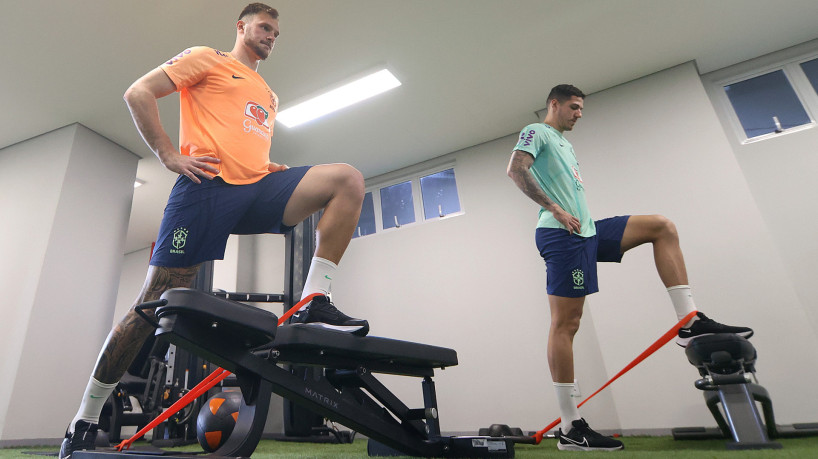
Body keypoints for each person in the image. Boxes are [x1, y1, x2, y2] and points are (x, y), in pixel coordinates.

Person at [60, 4, 369, 457]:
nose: (271, 37)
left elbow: (245, 142)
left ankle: (311, 300)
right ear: (241, 27)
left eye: (277, 33)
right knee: (152, 305)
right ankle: (84, 419)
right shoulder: (208, 57)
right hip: (204, 187)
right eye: (265, 27)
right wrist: (169, 155)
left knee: (347, 179)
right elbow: (138, 93)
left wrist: (269, 170)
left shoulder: (268, 93)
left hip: (256, 187)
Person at [506, 84, 753, 452]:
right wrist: (554, 208)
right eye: (573, 107)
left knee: (661, 226)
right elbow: (515, 169)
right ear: (553, 104)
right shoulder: (537, 132)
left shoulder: (565, 144)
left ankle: (689, 322)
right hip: (562, 235)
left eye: (581, 109)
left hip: (586, 231)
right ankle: (571, 427)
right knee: (566, 324)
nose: (578, 114)